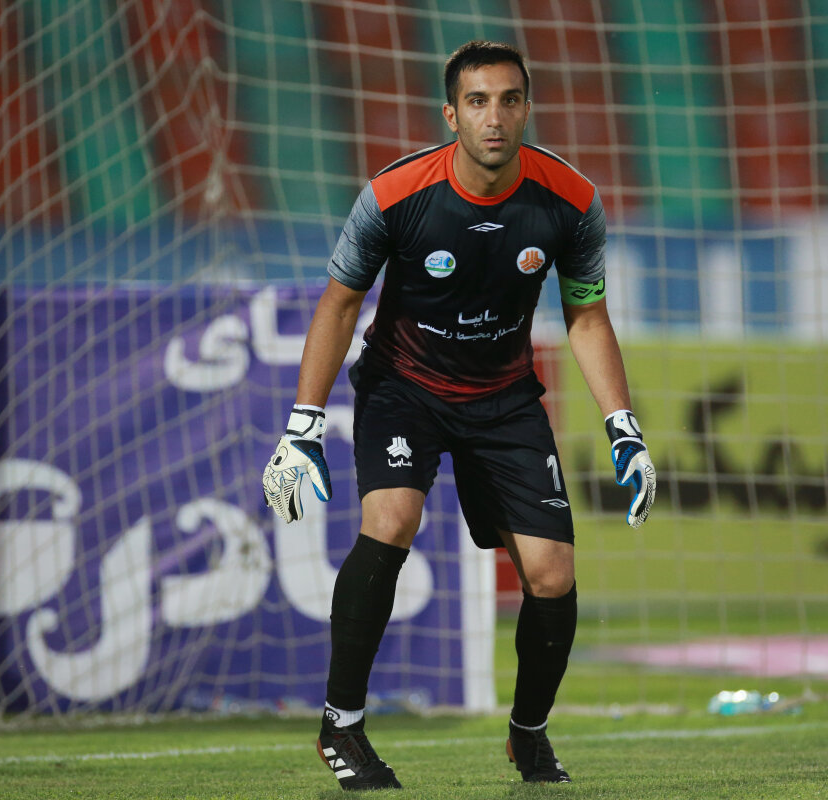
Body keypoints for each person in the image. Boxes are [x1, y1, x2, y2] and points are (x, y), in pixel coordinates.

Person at [262, 40, 656, 791]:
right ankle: (341, 725)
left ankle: (528, 734)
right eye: (478, 102)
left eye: (509, 100)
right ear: (451, 114)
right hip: (403, 387)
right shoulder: (393, 195)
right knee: (392, 521)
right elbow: (339, 304)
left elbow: (587, 316)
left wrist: (623, 426)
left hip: (503, 397)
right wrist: (302, 422)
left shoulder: (571, 201)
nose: (494, 117)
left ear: (527, 108)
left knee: (552, 574)